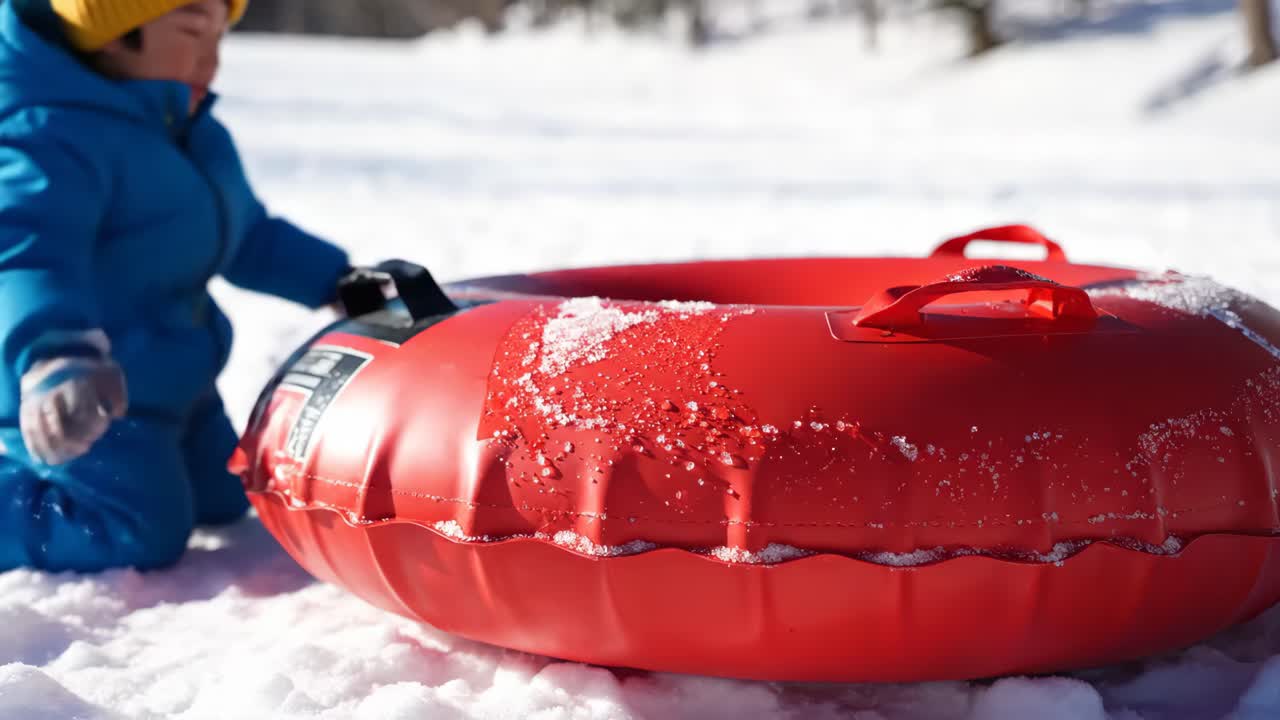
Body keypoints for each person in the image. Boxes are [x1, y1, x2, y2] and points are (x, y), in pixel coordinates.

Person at [0, 0, 353, 572]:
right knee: (138, 528)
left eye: (221, 37)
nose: (211, 61)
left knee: (224, 496)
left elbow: (247, 236)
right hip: (90, 397)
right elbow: (25, 255)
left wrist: (337, 279)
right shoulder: (50, 135)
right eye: (193, 34)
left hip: (179, 383)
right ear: (113, 34)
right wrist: (55, 355)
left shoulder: (190, 131)